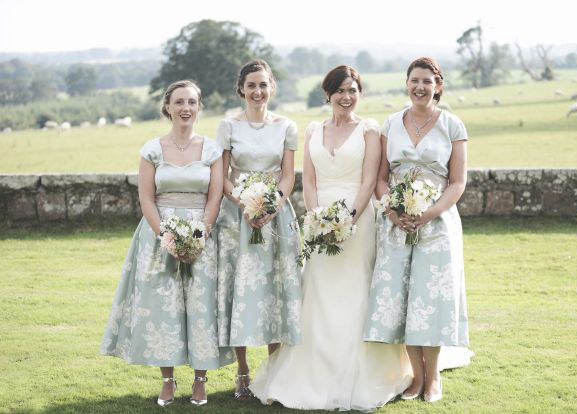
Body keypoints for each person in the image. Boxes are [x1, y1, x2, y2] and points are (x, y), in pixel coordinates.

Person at [250, 65, 412, 411]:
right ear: (328, 94)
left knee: (355, 291)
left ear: (360, 94)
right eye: (340, 90)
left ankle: (362, 374)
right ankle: (312, 373)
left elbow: (370, 180)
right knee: (318, 292)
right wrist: (317, 218)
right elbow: (307, 180)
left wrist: (347, 220)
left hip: (358, 218)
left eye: (353, 90)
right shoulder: (312, 130)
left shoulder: (370, 130)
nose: (346, 97)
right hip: (319, 220)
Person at [100, 80, 234, 407]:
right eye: (179, 102)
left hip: (203, 236)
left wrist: (202, 231)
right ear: (168, 107)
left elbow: (215, 195)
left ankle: (200, 381)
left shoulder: (212, 150)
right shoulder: (152, 149)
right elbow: (146, 197)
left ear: (199, 107)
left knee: (202, 308)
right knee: (166, 309)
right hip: (160, 234)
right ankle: (168, 380)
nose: (185, 108)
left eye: (191, 102)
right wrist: (165, 235)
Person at [364, 57, 472, 403]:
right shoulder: (391, 123)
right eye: (414, 80)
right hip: (396, 224)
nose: (420, 87)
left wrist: (428, 213)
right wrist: (394, 213)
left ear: (437, 86)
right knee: (403, 297)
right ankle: (415, 376)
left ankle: (434, 376)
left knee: (432, 298)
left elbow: (457, 183)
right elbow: (381, 178)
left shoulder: (453, 125)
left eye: (427, 81)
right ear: (406, 83)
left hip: (437, 224)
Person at [214, 60, 302, 399]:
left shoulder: (287, 126)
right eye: (251, 85)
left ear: (272, 88)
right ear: (241, 89)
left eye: (263, 85)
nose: (257, 91)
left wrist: (271, 205)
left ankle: (275, 372)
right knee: (239, 290)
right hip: (236, 217)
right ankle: (243, 372)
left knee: (275, 290)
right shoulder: (228, 127)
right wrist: (245, 205)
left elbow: (288, 175)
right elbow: (221, 176)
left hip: (276, 215)